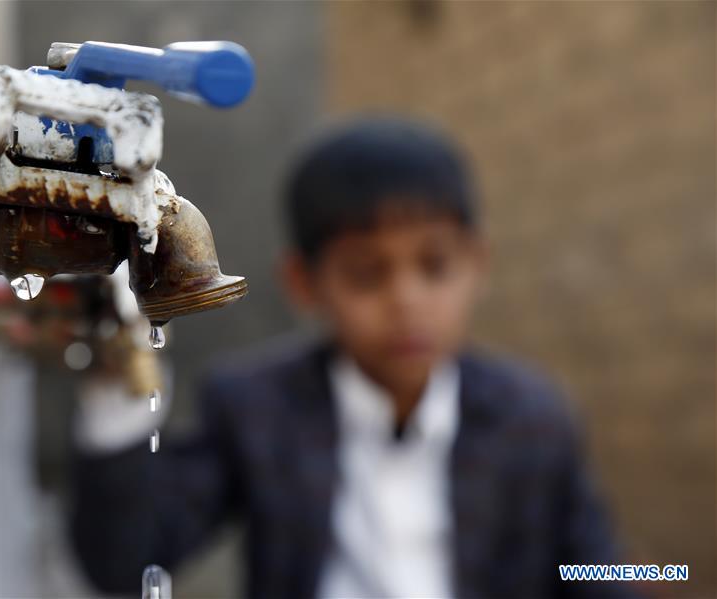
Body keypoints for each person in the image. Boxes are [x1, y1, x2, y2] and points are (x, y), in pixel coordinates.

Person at [70, 117, 634, 598]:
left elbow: (593, 568)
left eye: (434, 267)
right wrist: (114, 387)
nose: (406, 302)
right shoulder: (258, 408)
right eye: (367, 274)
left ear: (476, 264)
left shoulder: (531, 416)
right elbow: (125, 559)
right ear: (305, 283)